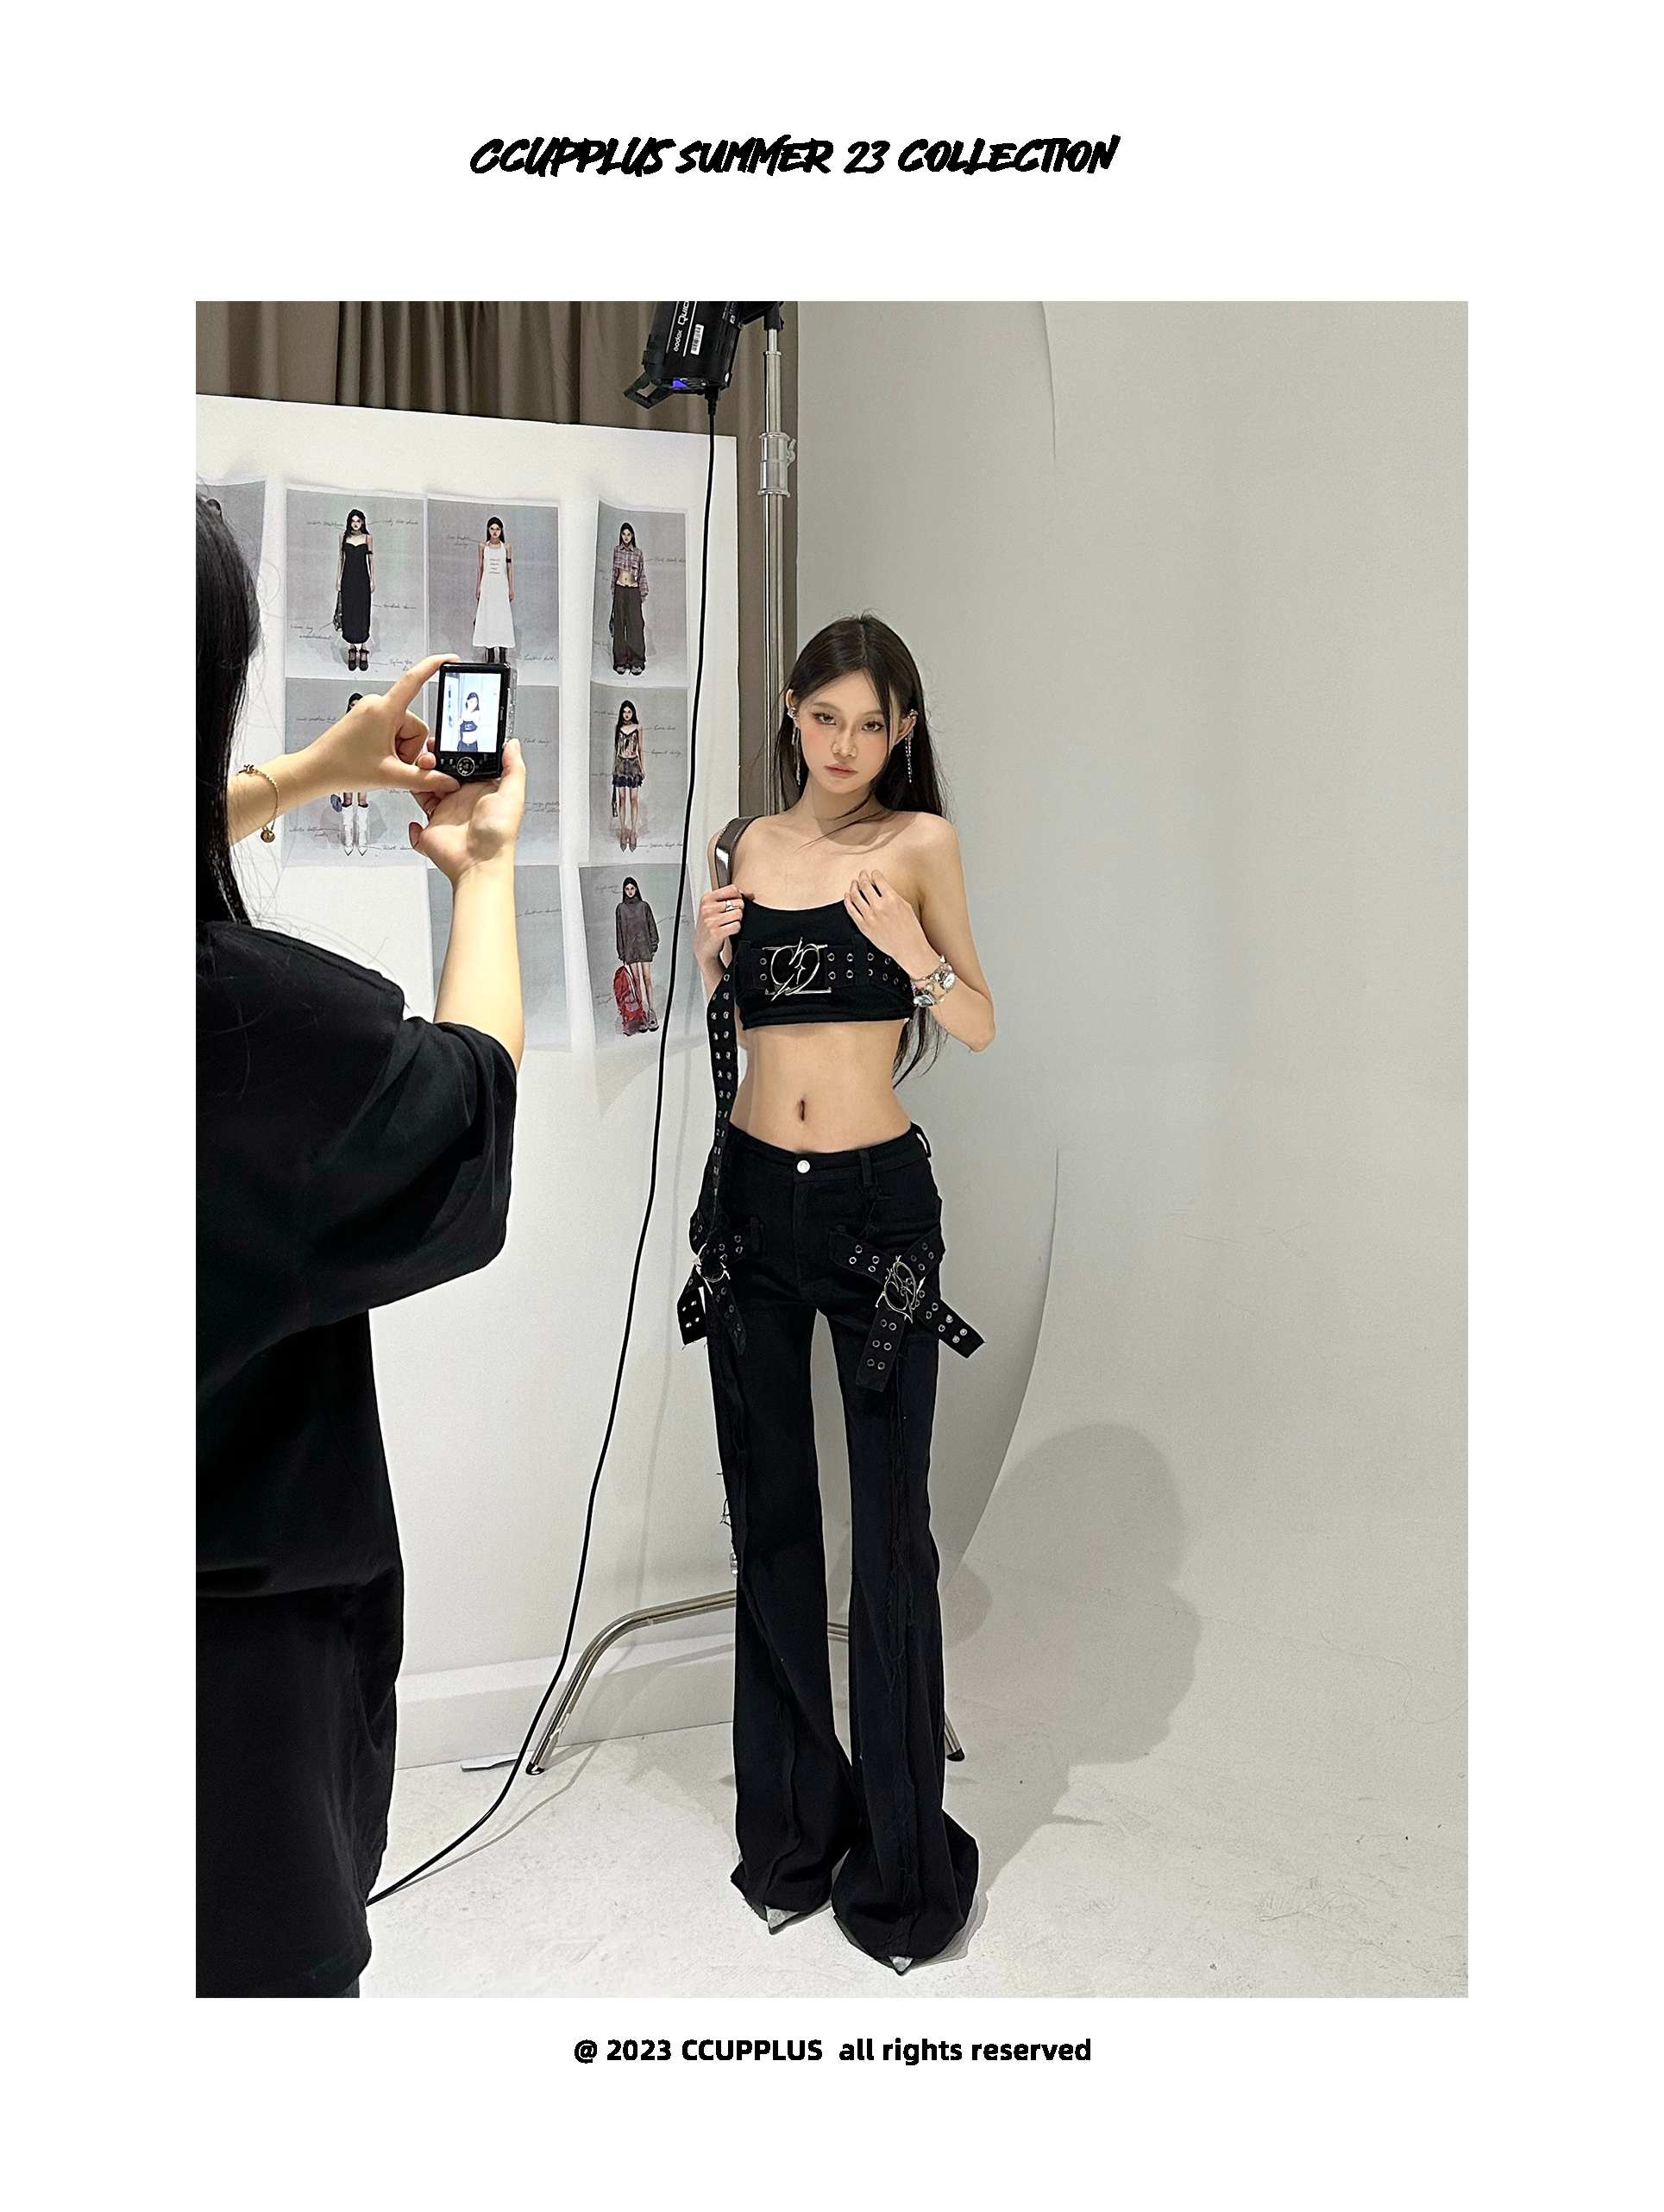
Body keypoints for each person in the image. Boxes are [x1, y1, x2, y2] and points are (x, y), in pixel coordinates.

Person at [197, 494, 526, 1996]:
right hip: (233, 1686)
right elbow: (468, 1108)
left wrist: (307, 774)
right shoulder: (261, 1034)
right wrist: (486, 871)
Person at [687, 613, 995, 1974]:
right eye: (827, 718)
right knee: (769, 1524)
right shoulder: (743, 847)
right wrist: (713, 966)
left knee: (888, 1537)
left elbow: (976, 1018)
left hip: (877, 1213)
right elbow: (745, 1026)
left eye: (875, 725)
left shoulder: (918, 845)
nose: (848, 746)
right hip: (754, 1205)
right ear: (792, 712)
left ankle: (904, 1876)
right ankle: (789, 1841)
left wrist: (913, 951)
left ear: (903, 732)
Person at [615, 874, 659, 1029]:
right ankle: (641, 1014)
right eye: (627, 889)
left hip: (644, 946)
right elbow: (619, 931)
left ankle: (651, 1011)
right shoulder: (621, 909)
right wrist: (622, 952)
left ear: (636, 889)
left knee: (647, 979)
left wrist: (653, 944)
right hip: (630, 949)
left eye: (632, 888)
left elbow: (651, 925)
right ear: (624, 890)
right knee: (636, 981)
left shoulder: (644, 906)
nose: (630, 891)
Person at [336, 507, 374, 673]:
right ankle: (352, 647)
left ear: (362, 522)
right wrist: (338, 579)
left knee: (363, 611)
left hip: (363, 579)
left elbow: (371, 559)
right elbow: (341, 559)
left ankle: (364, 647)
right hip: (348, 579)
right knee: (350, 612)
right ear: (349, 522)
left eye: (358, 521)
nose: (356, 524)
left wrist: (372, 580)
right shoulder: (343, 537)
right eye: (353, 521)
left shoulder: (368, 538)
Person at [474, 516, 515, 665]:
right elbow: (480, 567)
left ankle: (503, 653)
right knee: (488, 616)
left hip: (501, 586)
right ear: (488, 530)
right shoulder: (483, 547)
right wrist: (478, 587)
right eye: (492, 529)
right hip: (487, 586)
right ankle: (490, 654)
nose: (495, 532)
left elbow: (509, 568)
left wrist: (511, 588)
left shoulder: (507, 547)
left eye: (497, 529)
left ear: (501, 530)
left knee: (502, 617)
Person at [609, 522, 647, 675]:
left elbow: (642, 573)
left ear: (632, 536)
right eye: (624, 534)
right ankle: (620, 661)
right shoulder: (617, 550)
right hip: (620, 589)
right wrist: (614, 591)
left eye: (629, 534)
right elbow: (614, 572)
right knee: (619, 625)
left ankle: (636, 661)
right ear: (621, 535)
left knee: (635, 625)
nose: (626, 537)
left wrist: (642, 593)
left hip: (633, 590)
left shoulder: (638, 553)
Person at [612, 699, 644, 850]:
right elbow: (615, 749)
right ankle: (623, 831)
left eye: (629, 712)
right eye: (624, 712)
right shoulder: (618, 728)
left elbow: (640, 748)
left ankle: (633, 832)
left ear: (633, 713)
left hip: (634, 764)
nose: (626, 714)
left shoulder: (638, 728)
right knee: (622, 799)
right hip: (620, 764)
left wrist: (643, 768)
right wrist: (613, 766)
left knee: (634, 799)